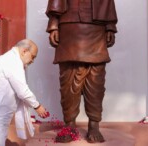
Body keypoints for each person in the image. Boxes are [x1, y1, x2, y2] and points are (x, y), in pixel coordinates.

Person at [46, 0, 118, 143]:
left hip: (97, 27)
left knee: (95, 81)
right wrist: (53, 25)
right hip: (69, 26)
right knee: (68, 80)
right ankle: (69, 124)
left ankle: (94, 125)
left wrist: (110, 26)